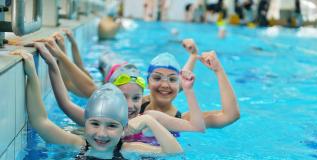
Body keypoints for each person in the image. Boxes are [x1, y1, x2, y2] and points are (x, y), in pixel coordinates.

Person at [11, 49, 183, 160]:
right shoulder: (78, 143)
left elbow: (174, 152)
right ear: (85, 122)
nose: (101, 133)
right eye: (94, 123)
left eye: (111, 126)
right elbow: (40, 122)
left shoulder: (129, 148)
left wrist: (150, 120)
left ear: (124, 128)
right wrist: (32, 75)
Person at [30, 40, 205, 138]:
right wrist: (52, 63)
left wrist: (189, 89)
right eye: (123, 97)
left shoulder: (150, 118)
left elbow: (196, 127)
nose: (130, 105)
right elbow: (65, 104)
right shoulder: (100, 120)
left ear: (143, 97)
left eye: (136, 98)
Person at [142, 39, 240, 128]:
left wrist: (218, 70)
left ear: (178, 85)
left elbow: (230, 115)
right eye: (157, 78)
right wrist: (193, 56)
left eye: (172, 80)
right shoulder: (137, 104)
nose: (165, 85)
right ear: (148, 83)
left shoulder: (186, 120)